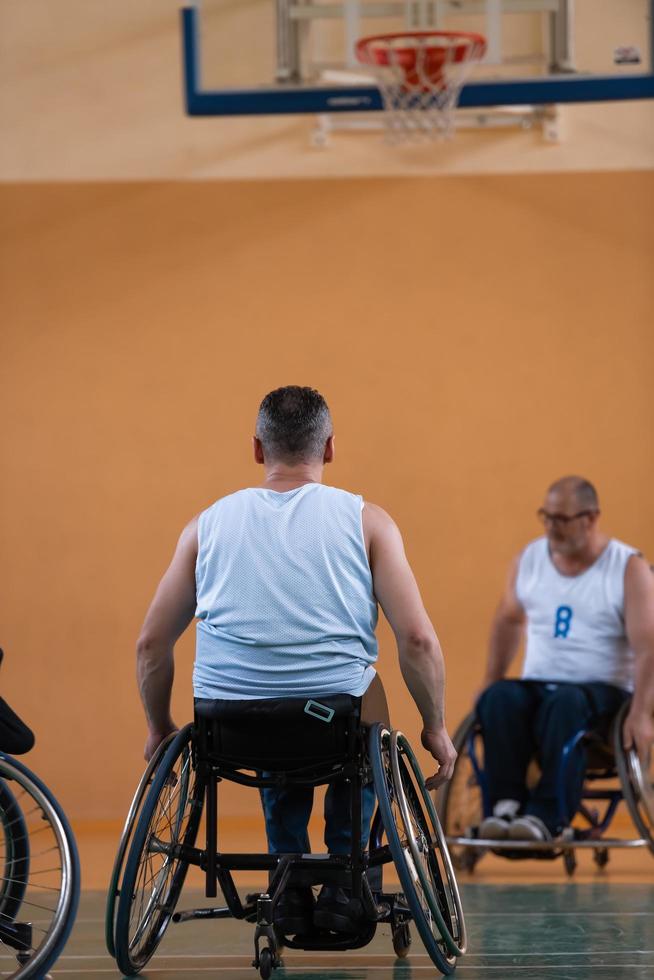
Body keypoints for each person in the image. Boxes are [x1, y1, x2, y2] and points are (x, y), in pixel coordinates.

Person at [135, 385, 456, 933]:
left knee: (274, 720)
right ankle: (343, 881)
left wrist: (158, 726)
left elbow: (150, 646)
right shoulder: (367, 521)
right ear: (329, 448)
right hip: (330, 720)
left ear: (258, 449)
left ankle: (288, 881)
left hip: (228, 727)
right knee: (355, 716)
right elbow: (419, 641)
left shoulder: (205, 526)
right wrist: (436, 728)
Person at [477, 475, 654, 843]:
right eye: (547, 517)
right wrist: (489, 681)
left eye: (562, 519)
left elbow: (648, 647)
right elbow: (508, 620)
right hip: (543, 689)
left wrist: (640, 713)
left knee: (565, 703)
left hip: (604, 695)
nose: (551, 527)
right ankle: (505, 807)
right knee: (499, 699)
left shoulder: (627, 568)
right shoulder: (529, 559)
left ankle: (546, 816)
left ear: (591, 518)